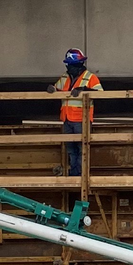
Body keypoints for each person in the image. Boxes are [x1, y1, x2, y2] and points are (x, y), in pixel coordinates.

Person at [54, 49, 101, 177]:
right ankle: (74, 175)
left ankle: (80, 175)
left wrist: (85, 89)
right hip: (67, 119)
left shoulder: (90, 77)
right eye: (69, 65)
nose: (70, 68)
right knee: (70, 149)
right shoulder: (65, 77)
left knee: (82, 149)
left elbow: (100, 94)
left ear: (80, 64)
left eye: (72, 65)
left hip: (81, 120)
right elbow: (57, 88)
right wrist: (52, 89)